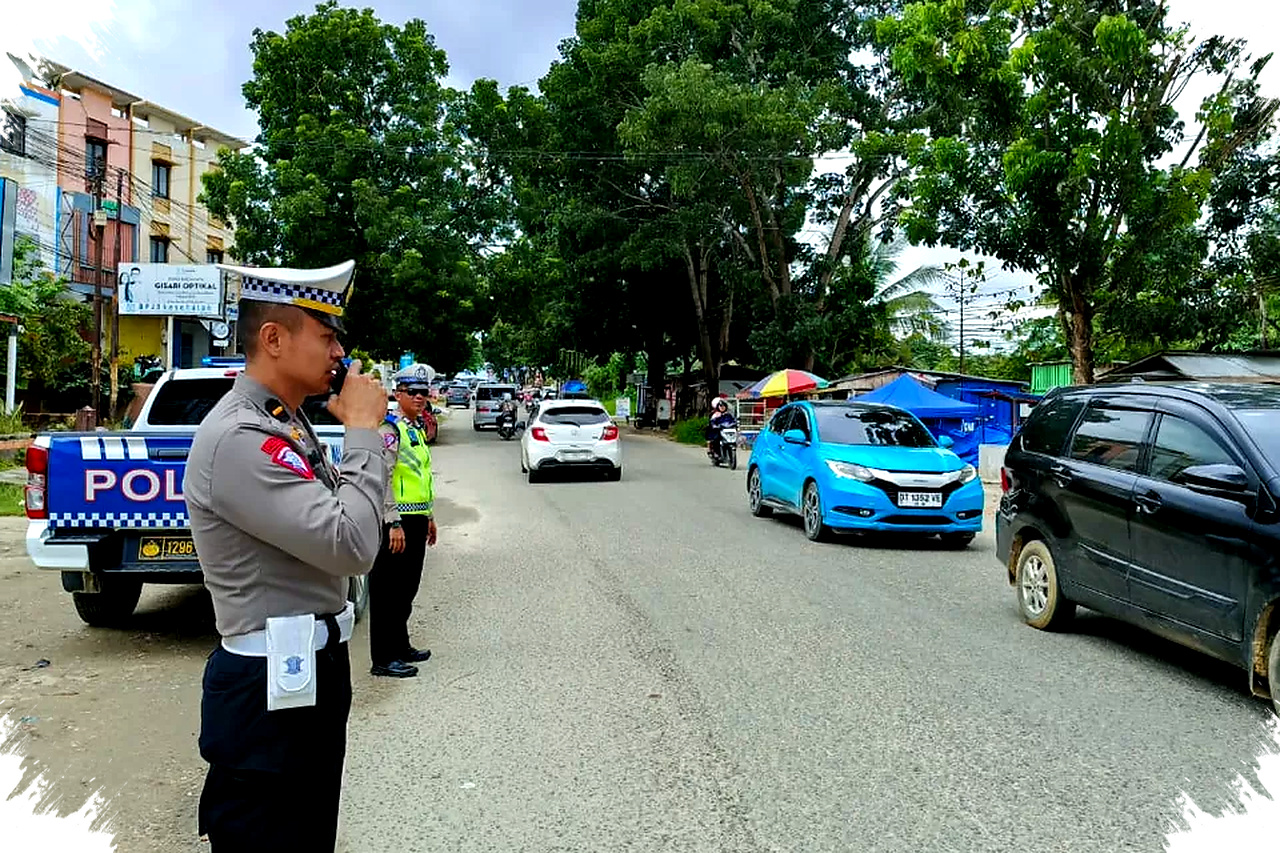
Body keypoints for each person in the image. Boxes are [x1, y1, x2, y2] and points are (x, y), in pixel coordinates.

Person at [184, 259, 388, 852]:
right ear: (273, 339)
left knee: (308, 834)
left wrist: (368, 439)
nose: (339, 353)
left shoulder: (284, 423)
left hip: (306, 676)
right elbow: (351, 544)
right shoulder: (240, 438)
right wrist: (363, 434)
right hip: (268, 689)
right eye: (326, 335)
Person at [369, 364, 439, 678]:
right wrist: (392, 521)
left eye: (424, 392)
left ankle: (400, 645)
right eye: (413, 392)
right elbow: (381, 477)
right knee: (388, 591)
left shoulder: (415, 429)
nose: (421, 397)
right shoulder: (391, 430)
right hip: (396, 522)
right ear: (398, 394)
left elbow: (421, 476)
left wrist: (430, 515)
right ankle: (383, 658)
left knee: (407, 588)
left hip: (417, 519)